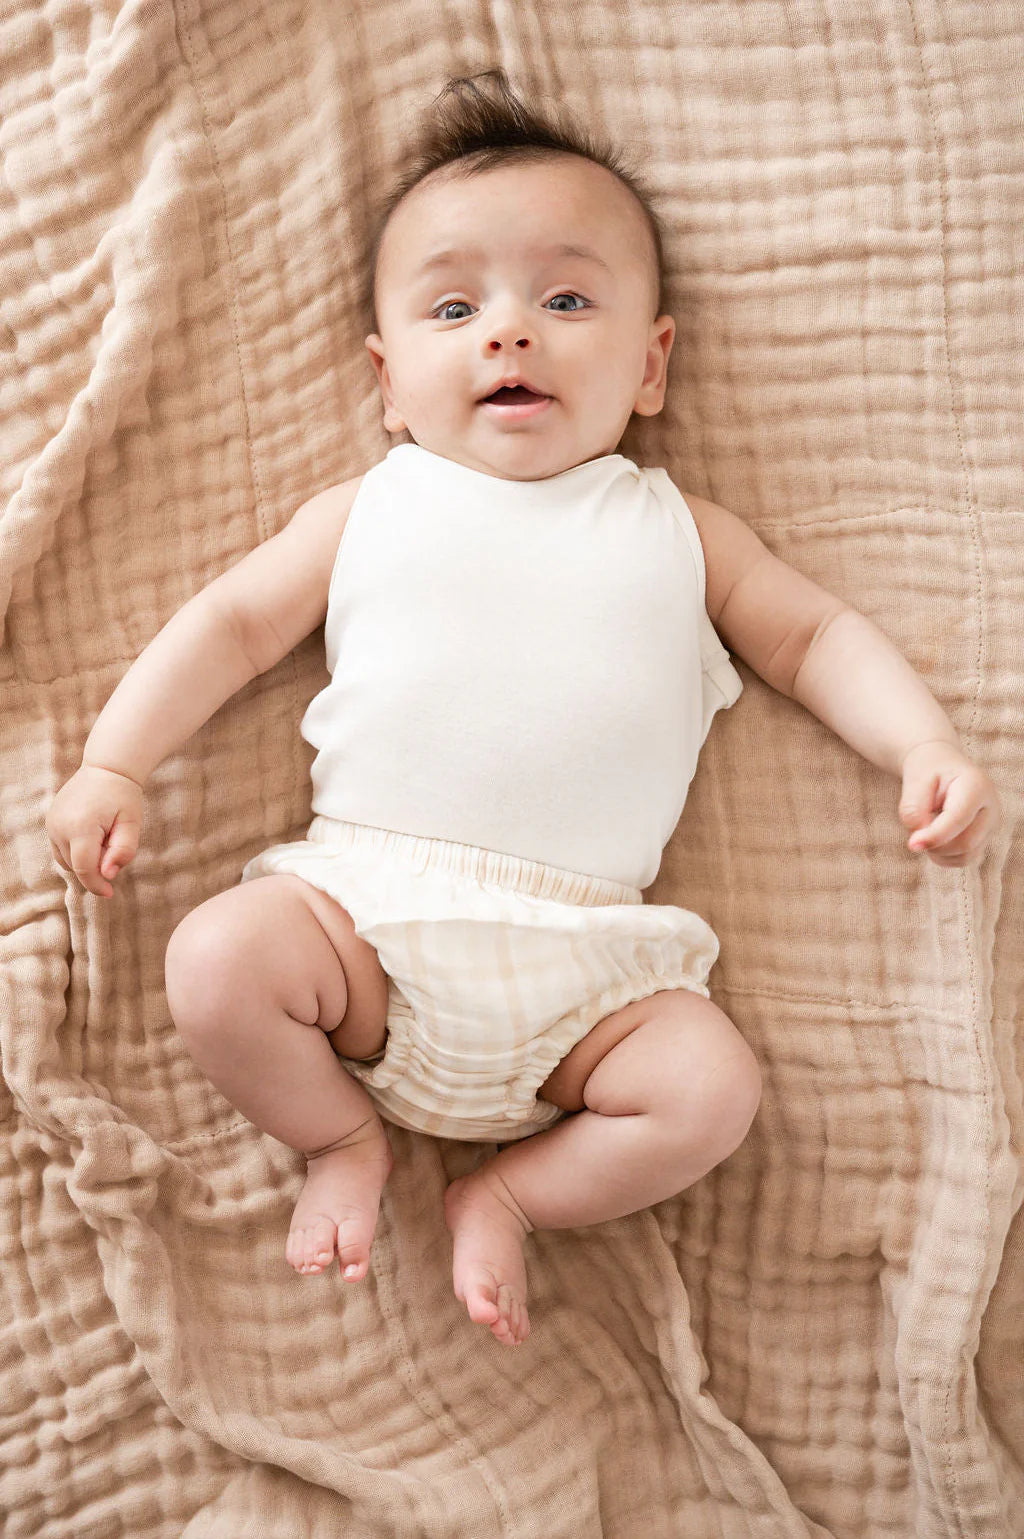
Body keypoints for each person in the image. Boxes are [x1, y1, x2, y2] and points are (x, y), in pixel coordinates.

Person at [46, 72, 1002, 1349]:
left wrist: (918, 740)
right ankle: (339, 1140)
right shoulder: (372, 507)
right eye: (456, 308)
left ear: (650, 365)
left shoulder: (683, 533)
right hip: (360, 931)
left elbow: (814, 636)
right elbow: (228, 624)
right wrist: (116, 761)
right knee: (217, 960)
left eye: (565, 300)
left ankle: (510, 1195)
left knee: (710, 1089)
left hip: (588, 978)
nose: (509, 334)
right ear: (390, 383)